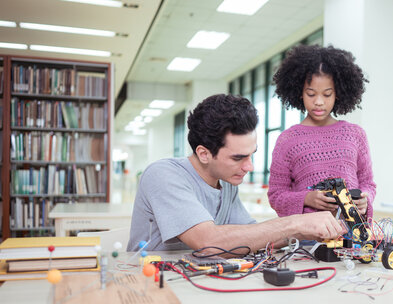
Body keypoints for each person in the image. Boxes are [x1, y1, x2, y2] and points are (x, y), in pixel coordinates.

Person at [127, 94, 345, 252]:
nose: (249, 167)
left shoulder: (226, 183)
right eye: (238, 158)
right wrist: (294, 224)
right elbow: (208, 242)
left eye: (251, 155)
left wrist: (308, 233)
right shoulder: (163, 175)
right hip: (150, 285)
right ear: (203, 153)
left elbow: (251, 234)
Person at [268, 44, 376, 221]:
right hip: (307, 239)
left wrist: (365, 199)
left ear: (338, 94)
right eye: (311, 94)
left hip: (354, 236)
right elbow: (276, 195)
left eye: (327, 94)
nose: (319, 102)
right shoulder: (287, 140)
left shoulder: (355, 134)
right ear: (300, 93)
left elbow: (368, 184)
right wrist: (306, 198)